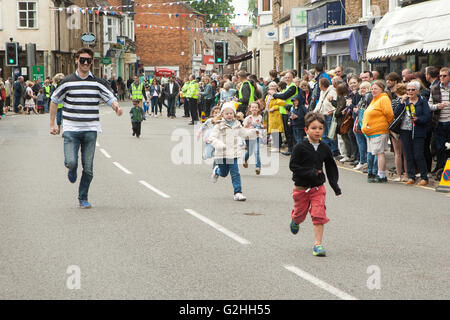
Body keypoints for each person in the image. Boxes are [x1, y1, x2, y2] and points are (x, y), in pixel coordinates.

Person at [49, 47, 122, 209]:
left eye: (89, 60)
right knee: (71, 161)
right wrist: (52, 125)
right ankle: (72, 169)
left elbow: (110, 98)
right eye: (82, 60)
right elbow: (54, 100)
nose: (86, 63)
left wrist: (116, 107)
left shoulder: (97, 82)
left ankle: (83, 197)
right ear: (77, 60)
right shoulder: (67, 81)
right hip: (71, 129)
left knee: (88, 169)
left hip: (90, 129)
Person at [289, 112, 342, 257]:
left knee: (318, 214)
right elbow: (293, 166)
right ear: (306, 130)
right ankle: (295, 220)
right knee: (300, 215)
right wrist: (310, 172)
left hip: (318, 187)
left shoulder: (325, 148)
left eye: (320, 128)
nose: (317, 131)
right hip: (301, 188)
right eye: (313, 128)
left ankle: (318, 244)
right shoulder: (300, 147)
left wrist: (335, 186)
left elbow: (331, 167)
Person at [209, 102, 256, 201]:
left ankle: (238, 192)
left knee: (235, 173)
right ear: (222, 114)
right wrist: (219, 144)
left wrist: (252, 133)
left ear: (234, 114)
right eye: (227, 114)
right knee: (224, 173)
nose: (229, 115)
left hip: (233, 154)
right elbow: (212, 138)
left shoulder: (237, 124)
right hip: (221, 154)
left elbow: (244, 133)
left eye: (231, 113)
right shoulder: (218, 125)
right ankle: (217, 170)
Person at [395, 81, 431, 186]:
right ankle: (411, 176)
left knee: (418, 154)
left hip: (418, 131)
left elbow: (427, 116)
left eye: (413, 90)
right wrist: (401, 102)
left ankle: (424, 177)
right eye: (408, 90)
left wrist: (418, 119)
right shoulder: (404, 101)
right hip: (405, 130)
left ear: (418, 91)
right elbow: (395, 114)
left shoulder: (422, 101)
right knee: (408, 154)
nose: (410, 92)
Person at [361, 81, 394, 183]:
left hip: (379, 131)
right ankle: (374, 173)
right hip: (370, 132)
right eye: (372, 89)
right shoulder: (375, 99)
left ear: (381, 89)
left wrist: (384, 125)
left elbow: (389, 114)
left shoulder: (383, 98)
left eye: (376, 89)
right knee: (373, 153)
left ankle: (381, 175)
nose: (373, 91)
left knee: (380, 153)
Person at [428, 67, 450, 173]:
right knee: (439, 147)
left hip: (449, 122)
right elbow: (429, 106)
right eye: (440, 76)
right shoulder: (434, 88)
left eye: (444, 76)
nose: (442, 78)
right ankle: (441, 169)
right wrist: (438, 106)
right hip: (439, 122)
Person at [313, 78, 339, 156]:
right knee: (324, 134)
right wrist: (314, 112)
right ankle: (325, 150)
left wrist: (332, 110)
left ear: (322, 85)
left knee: (331, 133)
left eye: (319, 84)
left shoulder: (332, 91)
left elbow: (335, 104)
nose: (319, 86)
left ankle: (334, 150)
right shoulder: (322, 92)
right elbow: (320, 103)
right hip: (322, 115)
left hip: (329, 115)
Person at [390, 84, 408, 182]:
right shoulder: (409, 100)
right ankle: (406, 174)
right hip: (406, 128)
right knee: (405, 153)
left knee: (397, 153)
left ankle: (398, 175)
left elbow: (393, 114)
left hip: (395, 129)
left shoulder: (395, 101)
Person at [352, 81, 372, 173]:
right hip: (360, 123)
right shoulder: (362, 97)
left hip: (365, 123)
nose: (362, 90)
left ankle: (366, 163)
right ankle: (363, 161)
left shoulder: (368, 96)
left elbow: (364, 110)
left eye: (364, 88)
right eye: (361, 88)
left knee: (366, 144)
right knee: (361, 143)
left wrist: (356, 110)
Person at [243, 102, 263, 175]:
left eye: (256, 107)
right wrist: (249, 127)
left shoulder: (260, 117)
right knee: (250, 151)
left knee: (256, 151)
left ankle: (258, 167)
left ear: (258, 109)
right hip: (248, 137)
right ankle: (245, 160)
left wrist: (261, 126)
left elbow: (261, 125)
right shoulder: (248, 118)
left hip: (257, 136)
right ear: (250, 109)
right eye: (252, 107)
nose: (254, 108)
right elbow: (243, 127)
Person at [266, 82, 285, 152]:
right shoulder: (267, 96)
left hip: (276, 114)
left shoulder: (278, 95)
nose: (272, 87)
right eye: (271, 86)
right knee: (273, 132)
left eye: (274, 86)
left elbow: (282, 103)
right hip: (270, 115)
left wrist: (274, 108)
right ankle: (275, 146)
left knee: (277, 131)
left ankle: (277, 147)